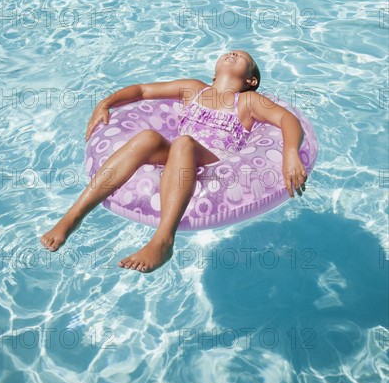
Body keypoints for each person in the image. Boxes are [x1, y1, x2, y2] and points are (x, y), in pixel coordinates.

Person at [40, 50, 307, 273]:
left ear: (251, 80)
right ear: (213, 75)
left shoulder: (248, 101)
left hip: (214, 162)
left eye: (243, 57)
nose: (234, 53)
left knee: (183, 142)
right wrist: (106, 102)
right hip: (180, 155)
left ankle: (163, 240)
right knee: (147, 138)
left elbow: (287, 120)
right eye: (230, 53)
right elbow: (143, 91)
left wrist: (291, 153)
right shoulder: (193, 89)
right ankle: (73, 217)